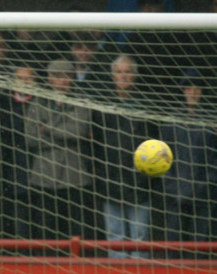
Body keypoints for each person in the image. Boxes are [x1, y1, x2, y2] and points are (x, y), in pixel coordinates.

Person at [92, 54, 158, 258]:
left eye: (128, 72)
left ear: (135, 75)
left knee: (140, 236)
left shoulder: (147, 104)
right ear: (113, 75)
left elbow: (155, 142)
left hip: (140, 181)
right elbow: (94, 144)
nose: (124, 76)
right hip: (110, 180)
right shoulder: (102, 105)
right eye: (119, 72)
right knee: (115, 235)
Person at [23, 58, 95, 241]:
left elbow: (79, 130)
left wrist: (46, 129)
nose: (61, 81)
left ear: (72, 78)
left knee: (76, 231)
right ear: (49, 79)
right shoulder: (38, 102)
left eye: (66, 76)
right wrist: (65, 138)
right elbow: (30, 138)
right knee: (46, 231)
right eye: (56, 77)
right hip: (43, 177)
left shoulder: (81, 102)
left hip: (74, 178)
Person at [160, 69, 217, 258]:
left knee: (201, 243)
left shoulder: (212, 122)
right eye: (188, 88)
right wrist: (171, 185)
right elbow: (164, 156)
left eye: (196, 88)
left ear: (201, 92)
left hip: (205, 193)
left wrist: (205, 184)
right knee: (175, 244)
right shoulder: (171, 121)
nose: (192, 93)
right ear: (183, 91)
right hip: (175, 193)